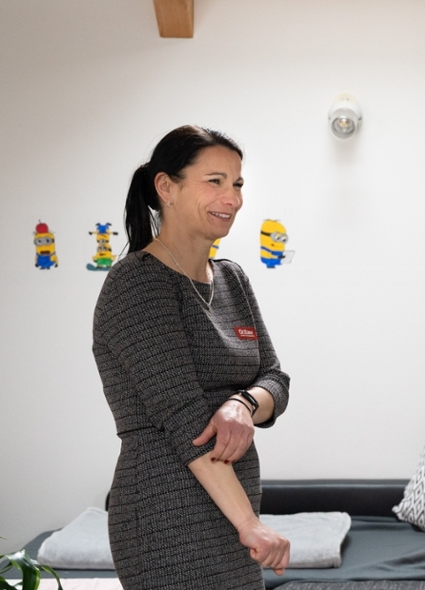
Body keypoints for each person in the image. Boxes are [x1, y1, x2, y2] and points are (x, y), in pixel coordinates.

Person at [93, 126, 292, 590]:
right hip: (166, 514)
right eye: (215, 181)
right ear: (166, 187)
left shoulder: (232, 279)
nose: (233, 198)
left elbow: (275, 380)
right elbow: (184, 419)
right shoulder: (137, 283)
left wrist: (243, 403)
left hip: (233, 509)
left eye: (237, 183)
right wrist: (250, 524)